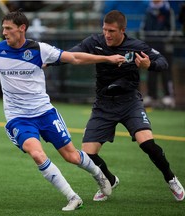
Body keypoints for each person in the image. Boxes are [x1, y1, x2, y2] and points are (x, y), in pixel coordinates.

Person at [0, 10, 125, 211]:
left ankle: (100, 176)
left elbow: (75, 58)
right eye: (3, 28)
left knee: (72, 157)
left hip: (45, 113)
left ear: (22, 28)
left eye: (8, 28)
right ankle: (72, 197)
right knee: (37, 154)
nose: (4, 32)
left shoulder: (39, 49)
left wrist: (107, 59)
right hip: (18, 118)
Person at [58, 10, 184, 202]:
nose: (107, 34)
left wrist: (148, 65)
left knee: (147, 144)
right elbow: (70, 54)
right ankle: (110, 180)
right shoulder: (95, 42)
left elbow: (162, 62)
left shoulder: (136, 46)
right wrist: (47, 61)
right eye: (104, 29)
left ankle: (171, 178)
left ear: (122, 31)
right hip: (103, 104)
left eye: (112, 31)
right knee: (87, 155)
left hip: (129, 102)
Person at [141, 0, 175, 108]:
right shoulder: (148, 10)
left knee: (166, 70)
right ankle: (152, 96)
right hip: (151, 46)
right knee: (151, 70)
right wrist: (146, 42)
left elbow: (171, 29)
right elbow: (143, 28)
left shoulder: (168, 10)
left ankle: (168, 96)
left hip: (164, 46)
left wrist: (164, 40)